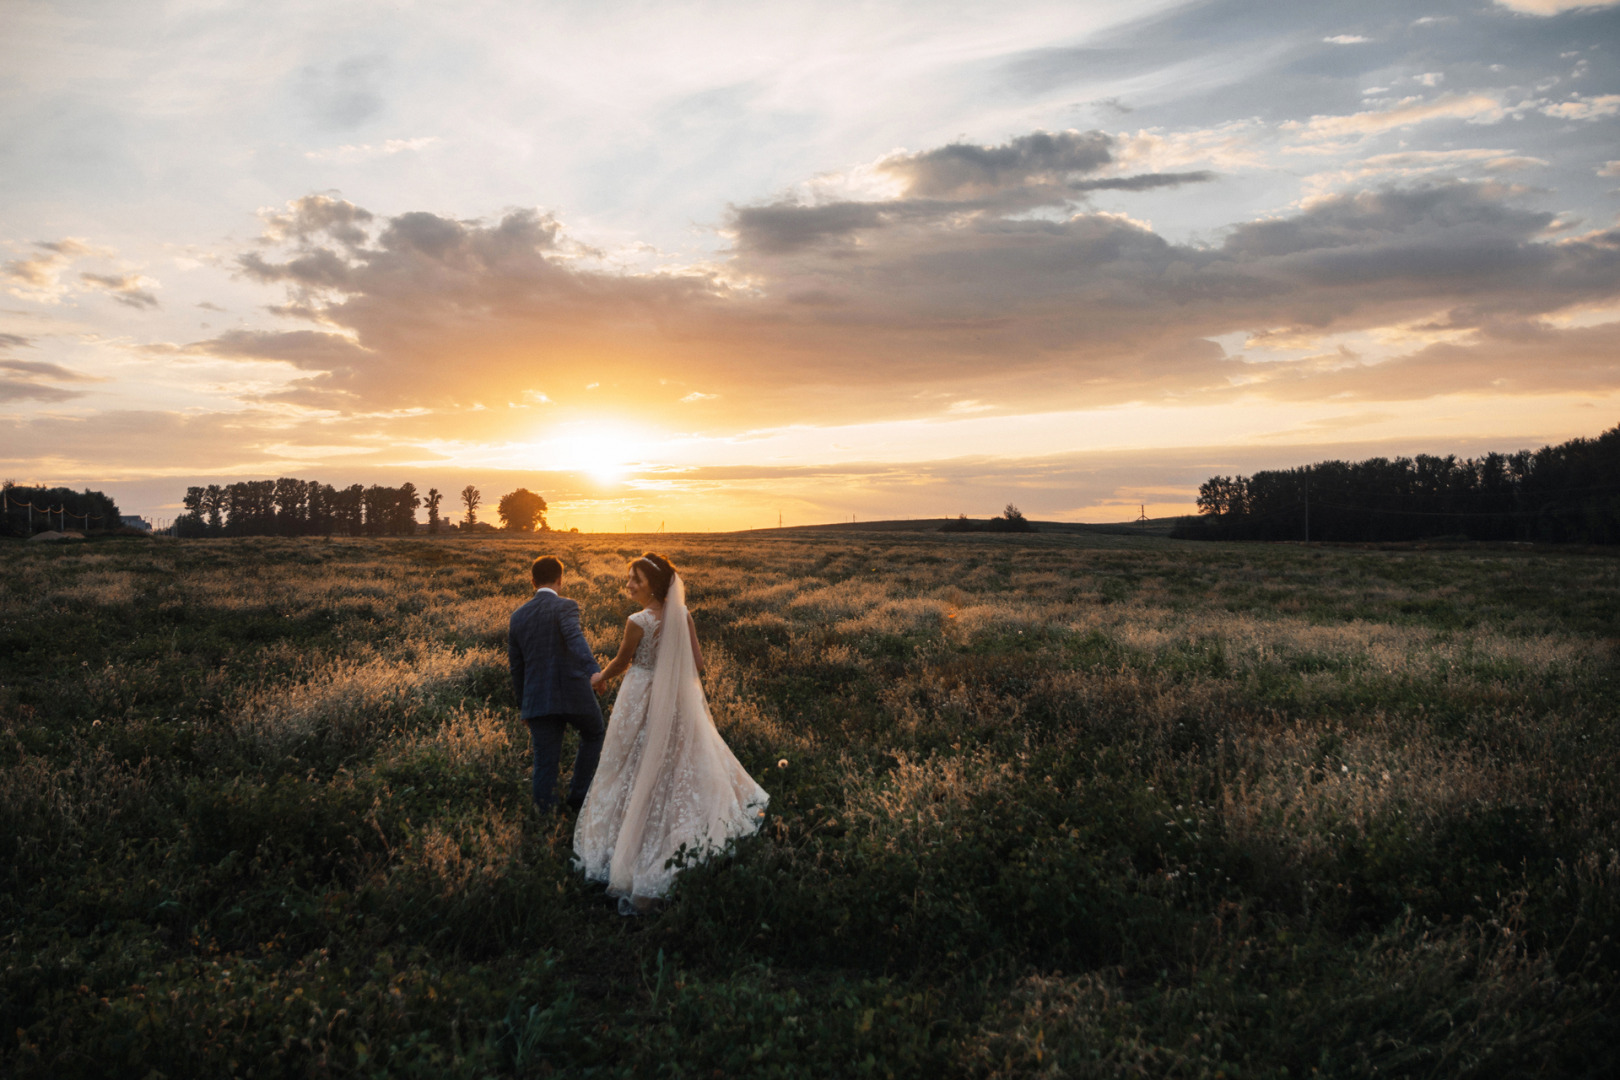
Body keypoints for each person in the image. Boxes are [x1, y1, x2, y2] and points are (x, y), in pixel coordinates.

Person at [574, 552, 768, 914]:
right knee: (678, 759)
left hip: (641, 693)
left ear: (654, 586)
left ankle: (630, 842)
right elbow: (698, 664)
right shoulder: (683, 614)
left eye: (637, 580)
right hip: (677, 697)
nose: (629, 584)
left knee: (630, 761)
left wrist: (600, 678)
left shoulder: (638, 621)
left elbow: (622, 661)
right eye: (629, 577)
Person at [508, 555, 606, 815]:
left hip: (538, 699)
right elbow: (575, 638)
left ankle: (545, 821)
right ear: (560, 580)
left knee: (545, 761)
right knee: (594, 733)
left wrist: (524, 707)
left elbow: (517, 668)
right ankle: (578, 796)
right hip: (576, 693)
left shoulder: (517, 617)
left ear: (532, 582)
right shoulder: (567, 606)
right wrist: (594, 671)